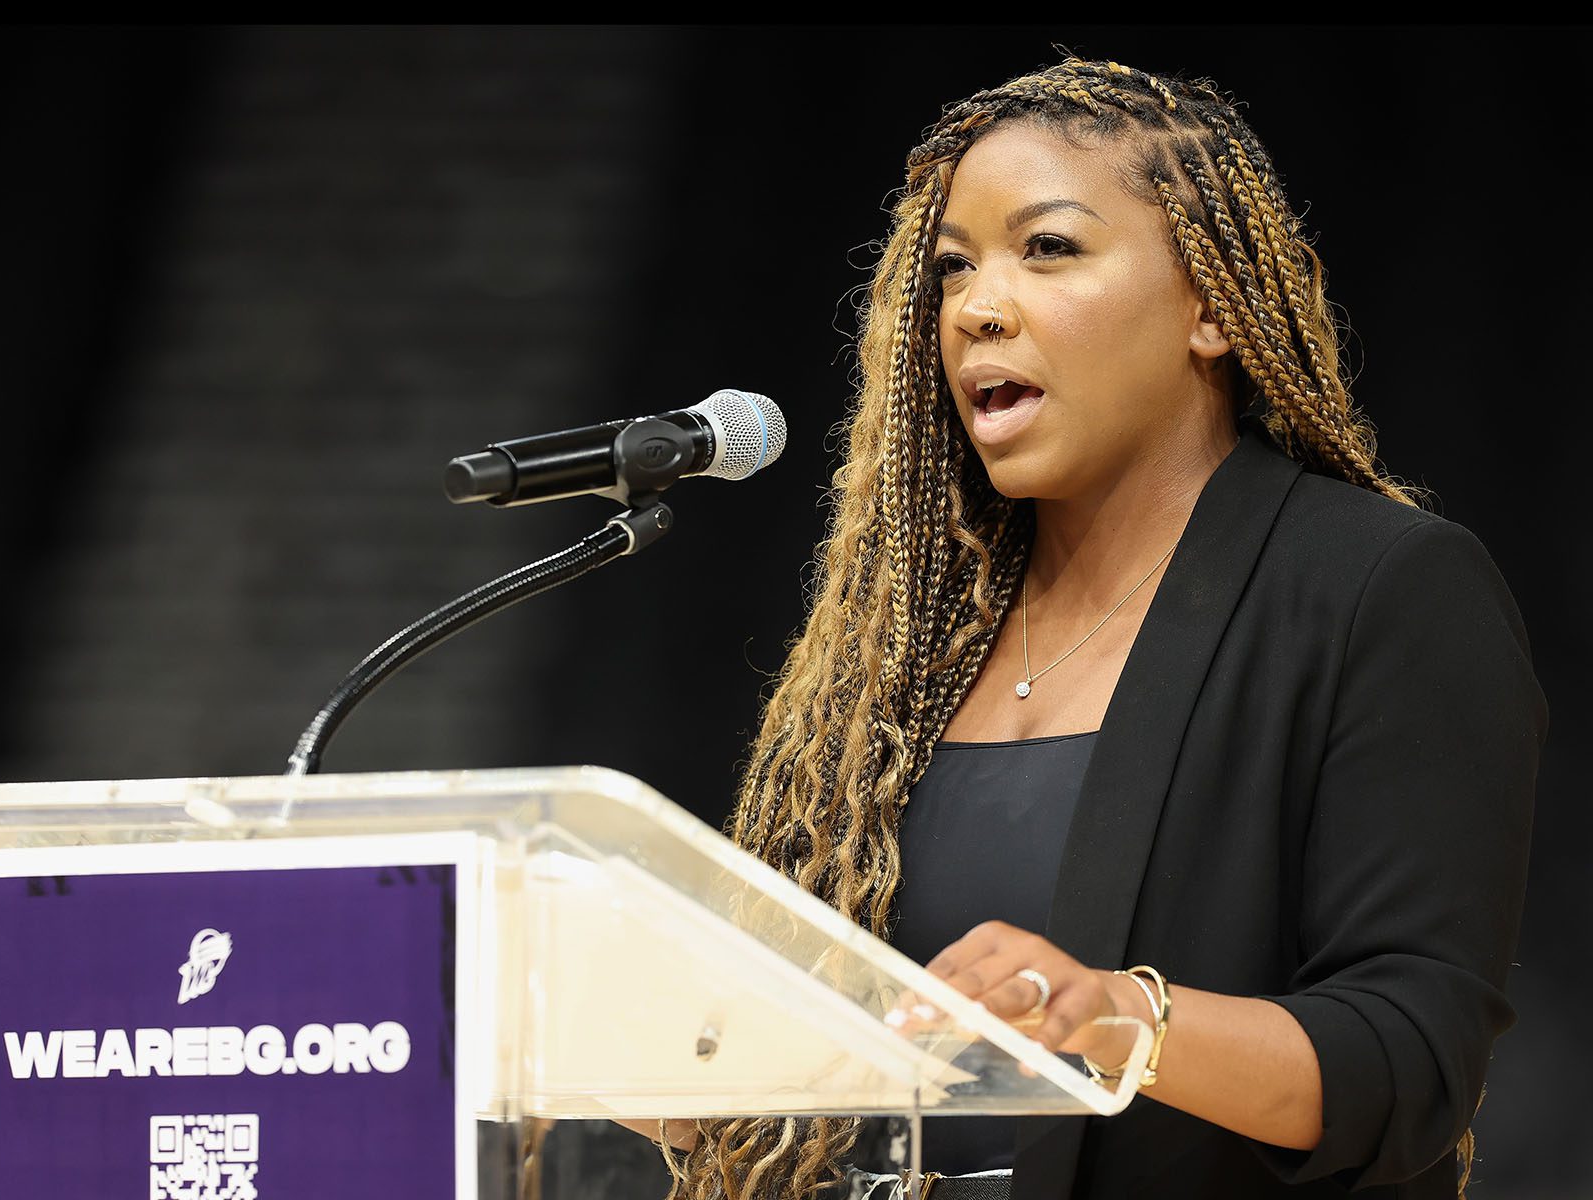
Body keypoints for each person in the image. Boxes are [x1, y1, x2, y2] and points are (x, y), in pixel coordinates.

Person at [627, 54, 1546, 1200]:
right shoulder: (913, 639)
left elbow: (1410, 1061)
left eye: (1047, 247)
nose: (975, 304)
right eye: (953, 267)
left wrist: (1122, 1016)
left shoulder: (1374, 587)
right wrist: (645, 1061)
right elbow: (830, 1104)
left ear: (1212, 303)